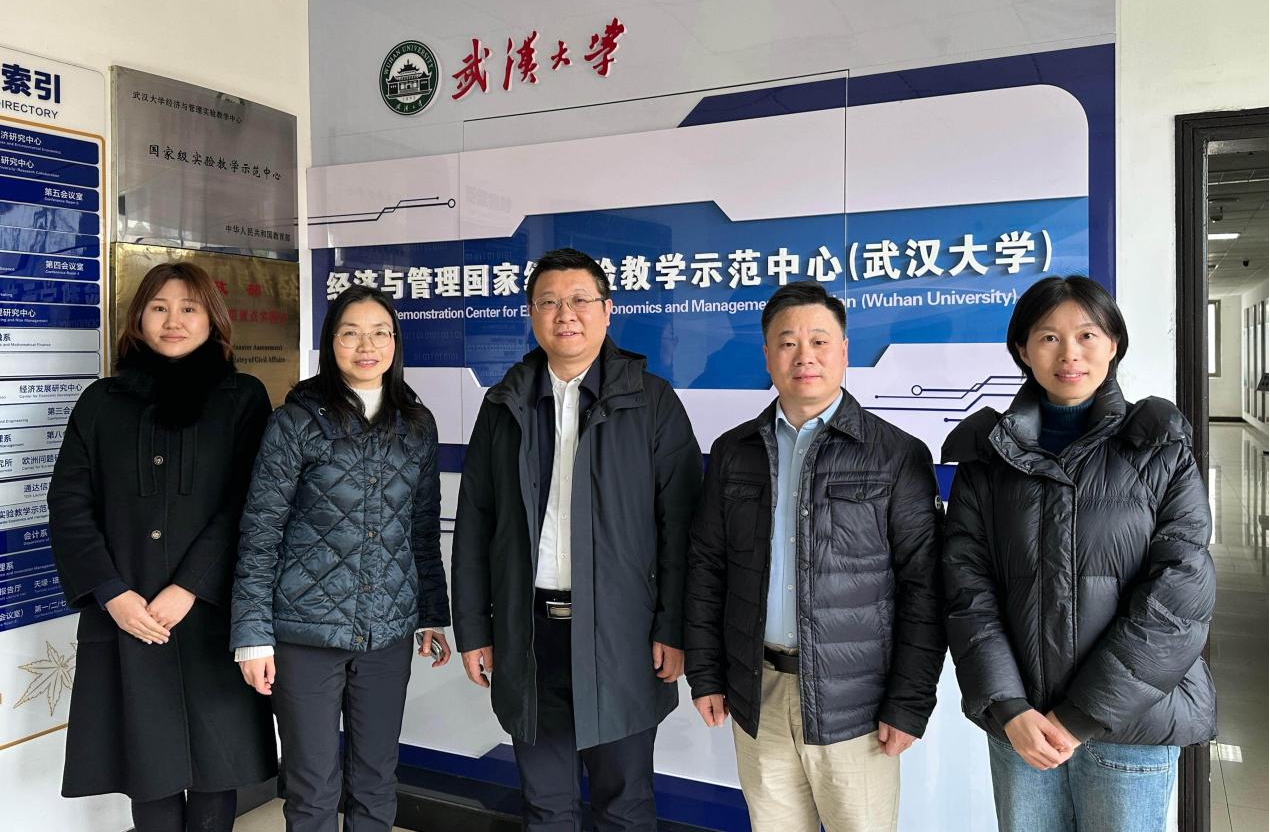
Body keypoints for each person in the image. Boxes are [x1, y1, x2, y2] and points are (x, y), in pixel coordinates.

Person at [941, 276, 1216, 832]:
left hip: (1131, 726)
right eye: (1048, 337)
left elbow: (1180, 597)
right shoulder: (987, 458)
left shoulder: (1159, 445)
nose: (1069, 354)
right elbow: (966, 589)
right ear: (1023, 350)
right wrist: (1009, 707)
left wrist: (1080, 715)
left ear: (1113, 344)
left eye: (1087, 335)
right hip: (1023, 729)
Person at [451, 247, 702, 831]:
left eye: (580, 300)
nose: (565, 314)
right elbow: (475, 523)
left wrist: (673, 627)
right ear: (532, 314)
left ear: (607, 311)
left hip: (623, 634)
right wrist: (475, 629)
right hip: (528, 631)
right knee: (545, 804)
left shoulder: (652, 402)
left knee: (624, 803)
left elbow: (682, 527)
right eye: (549, 302)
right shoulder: (504, 403)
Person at [684, 280, 945, 832]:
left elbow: (925, 587)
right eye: (788, 342)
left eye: (820, 341)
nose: (804, 356)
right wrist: (706, 674)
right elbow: (707, 567)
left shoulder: (896, 455)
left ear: (844, 351)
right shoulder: (734, 451)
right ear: (767, 355)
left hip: (858, 704)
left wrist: (909, 702)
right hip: (758, 691)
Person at [48, 261, 277, 832]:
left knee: (216, 769)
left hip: (211, 615)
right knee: (146, 767)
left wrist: (190, 587)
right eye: (159, 307)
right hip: (127, 617)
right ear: (139, 319)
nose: (173, 320)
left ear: (212, 320)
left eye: (189, 308)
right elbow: (69, 506)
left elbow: (250, 502)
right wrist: (112, 593)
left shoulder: (242, 397)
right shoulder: (101, 402)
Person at [230, 284, 451, 832]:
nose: (367, 346)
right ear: (330, 342)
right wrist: (252, 635)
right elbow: (260, 532)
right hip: (304, 633)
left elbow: (422, 529)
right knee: (313, 787)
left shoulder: (416, 425)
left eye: (380, 333)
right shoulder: (296, 422)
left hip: (388, 632)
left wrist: (431, 613)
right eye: (351, 333)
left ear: (396, 342)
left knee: (377, 778)